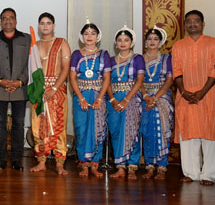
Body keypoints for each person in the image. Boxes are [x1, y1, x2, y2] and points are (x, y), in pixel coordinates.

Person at [172, 10, 215, 186]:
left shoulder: (213, 43)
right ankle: (191, 173)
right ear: (185, 25)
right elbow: (176, 70)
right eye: (189, 21)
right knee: (188, 135)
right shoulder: (178, 45)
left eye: (196, 21)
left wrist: (202, 92)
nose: (192, 24)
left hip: (208, 95)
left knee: (210, 135)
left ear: (203, 24)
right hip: (185, 95)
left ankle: (209, 175)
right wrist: (184, 91)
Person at [0, 8, 31, 170]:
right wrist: (0, 81)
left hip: (20, 88)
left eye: (11, 18)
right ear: (0, 22)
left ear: (16, 20)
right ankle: (1, 158)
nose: (8, 21)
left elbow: (30, 64)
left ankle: (17, 159)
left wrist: (20, 82)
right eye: (4, 18)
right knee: (0, 123)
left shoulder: (26, 38)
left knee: (18, 124)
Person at [29, 13, 72, 175]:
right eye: (42, 23)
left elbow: (66, 68)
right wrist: (39, 89)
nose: (45, 26)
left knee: (58, 127)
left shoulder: (62, 43)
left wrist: (53, 88)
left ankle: (60, 163)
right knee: (38, 126)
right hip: (38, 91)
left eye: (48, 23)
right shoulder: (34, 45)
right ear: (38, 26)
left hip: (57, 90)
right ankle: (41, 162)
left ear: (53, 25)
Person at [69, 21, 111, 178]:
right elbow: (72, 77)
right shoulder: (76, 54)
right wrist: (80, 97)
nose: (89, 36)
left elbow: (107, 78)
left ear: (97, 36)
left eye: (93, 33)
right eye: (86, 33)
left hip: (98, 97)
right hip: (81, 97)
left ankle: (94, 164)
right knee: (81, 130)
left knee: (98, 129)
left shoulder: (104, 54)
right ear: (82, 36)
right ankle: (83, 164)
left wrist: (100, 98)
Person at [106, 26, 145, 179]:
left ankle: (132, 167)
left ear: (131, 42)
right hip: (114, 100)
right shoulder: (110, 60)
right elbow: (107, 81)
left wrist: (126, 99)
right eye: (120, 40)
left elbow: (140, 80)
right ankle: (120, 167)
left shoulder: (138, 59)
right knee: (116, 132)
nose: (123, 43)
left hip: (132, 99)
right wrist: (113, 99)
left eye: (126, 40)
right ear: (116, 43)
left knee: (132, 131)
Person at [139, 26, 173, 179]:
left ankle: (162, 167)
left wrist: (156, 97)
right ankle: (150, 166)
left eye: (155, 39)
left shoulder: (166, 58)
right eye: (149, 39)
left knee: (161, 130)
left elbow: (169, 80)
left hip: (162, 97)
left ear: (161, 42)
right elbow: (137, 80)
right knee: (147, 131)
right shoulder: (139, 59)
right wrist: (146, 95)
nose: (152, 41)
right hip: (144, 97)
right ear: (145, 42)